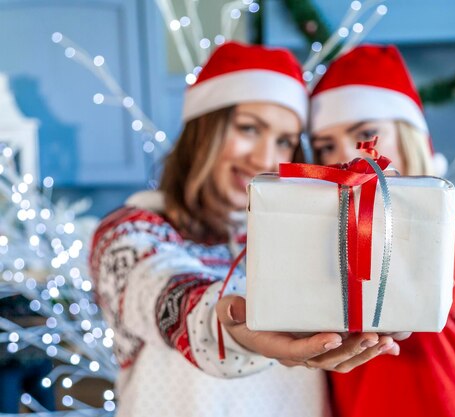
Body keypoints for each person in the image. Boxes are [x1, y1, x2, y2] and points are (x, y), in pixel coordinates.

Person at [89, 42, 399, 417]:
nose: (266, 158)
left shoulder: (312, 238)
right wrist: (230, 324)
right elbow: (163, 290)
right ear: (204, 129)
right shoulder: (130, 232)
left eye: (284, 140)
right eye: (250, 128)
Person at [309, 44, 455, 417]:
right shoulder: (322, 244)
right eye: (324, 147)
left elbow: (448, 268)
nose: (345, 158)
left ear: (408, 134)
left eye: (366, 133)